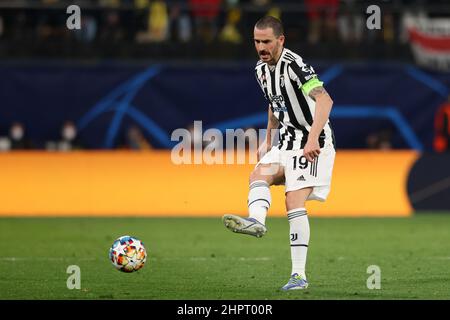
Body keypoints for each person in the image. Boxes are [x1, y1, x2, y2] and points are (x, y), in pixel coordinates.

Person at [222, 16, 336, 291]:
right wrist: (268, 138)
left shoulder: (295, 66)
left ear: (280, 40)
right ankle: (256, 222)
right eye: (257, 41)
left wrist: (311, 138)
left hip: (313, 142)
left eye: (266, 42)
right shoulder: (261, 70)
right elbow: (275, 104)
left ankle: (299, 276)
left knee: (293, 201)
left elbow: (325, 99)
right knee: (258, 175)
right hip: (285, 140)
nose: (261, 47)